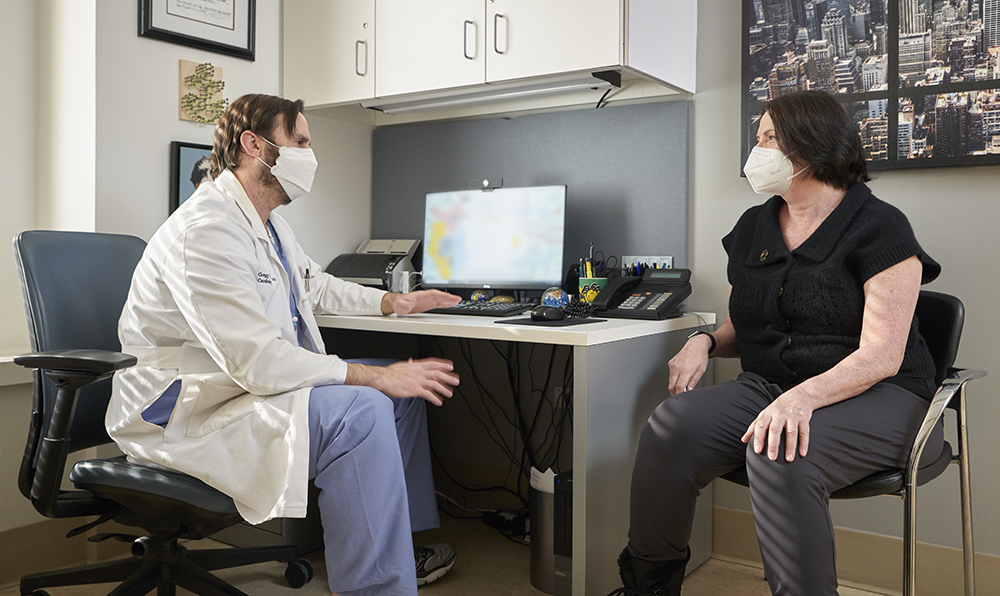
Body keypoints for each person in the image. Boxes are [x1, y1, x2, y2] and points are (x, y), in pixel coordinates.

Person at [107, 93, 464, 596]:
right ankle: (377, 589)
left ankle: (398, 552)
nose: (309, 154)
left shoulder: (268, 223)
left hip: (243, 387)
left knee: (402, 397)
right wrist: (374, 376)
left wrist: (392, 303)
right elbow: (257, 363)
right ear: (254, 145)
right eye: (299, 141)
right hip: (182, 411)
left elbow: (314, 285)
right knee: (364, 405)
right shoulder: (204, 231)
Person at [612, 90, 943, 596]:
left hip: (885, 395)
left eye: (769, 137)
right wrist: (703, 341)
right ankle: (648, 587)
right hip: (774, 387)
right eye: (759, 137)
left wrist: (804, 398)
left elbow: (882, 354)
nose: (757, 151)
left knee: (780, 449)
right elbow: (743, 326)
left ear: (809, 147)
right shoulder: (754, 227)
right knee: (670, 426)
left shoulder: (880, 227)